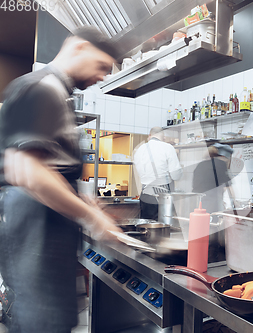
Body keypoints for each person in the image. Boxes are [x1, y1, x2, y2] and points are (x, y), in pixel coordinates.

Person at [0, 27, 124, 333]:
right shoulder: (42, 88)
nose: (103, 77)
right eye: (102, 67)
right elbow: (26, 169)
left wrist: (82, 200)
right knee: (42, 324)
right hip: (34, 234)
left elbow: (50, 167)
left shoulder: (59, 94)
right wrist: (91, 216)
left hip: (46, 235)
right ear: (80, 48)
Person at [192, 143, 235, 262]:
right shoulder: (220, 164)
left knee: (202, 231)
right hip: (212, 203)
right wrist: (234, 203)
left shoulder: (199, 166)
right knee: (214, 232)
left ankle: (200, 257)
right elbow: (228, 187)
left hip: (198, 204)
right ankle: (213, 259)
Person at [133, 127, 183, 220]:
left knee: (146, 226)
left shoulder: (139, 149)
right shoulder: (168, 148)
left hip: (145, 194)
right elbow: (176, 175)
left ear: (149, 136)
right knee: (163, 227)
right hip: (162, 195)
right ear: (163, 137)